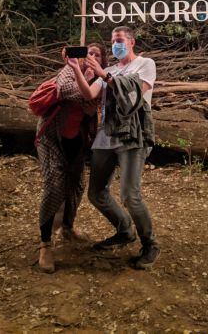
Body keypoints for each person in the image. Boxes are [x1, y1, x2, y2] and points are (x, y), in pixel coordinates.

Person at [67, 26, 160, 270]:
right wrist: (76, 68)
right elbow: (89, 93)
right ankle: (124, 229)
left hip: (132, 135)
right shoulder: (107, 69)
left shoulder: (145, 64)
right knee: (96, 193)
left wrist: (105, 76)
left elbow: (136, 94)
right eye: (113, 41)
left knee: (130, 194)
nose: (115, 45)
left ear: (131, 42)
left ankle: (150, 244)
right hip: (106, 135)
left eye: (119, 40)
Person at [37, 43, 107, 273]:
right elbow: (67, 90)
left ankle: (67, 228)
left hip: (76, 140)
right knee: (55, 186)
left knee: (77, 185)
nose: (92, 57)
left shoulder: (101, 78)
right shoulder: (69, 69)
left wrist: (91, 89)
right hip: (51, 137)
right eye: (89, 53)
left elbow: (92, 105)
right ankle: (45, 244)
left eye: (97, 55)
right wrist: (82, 79)